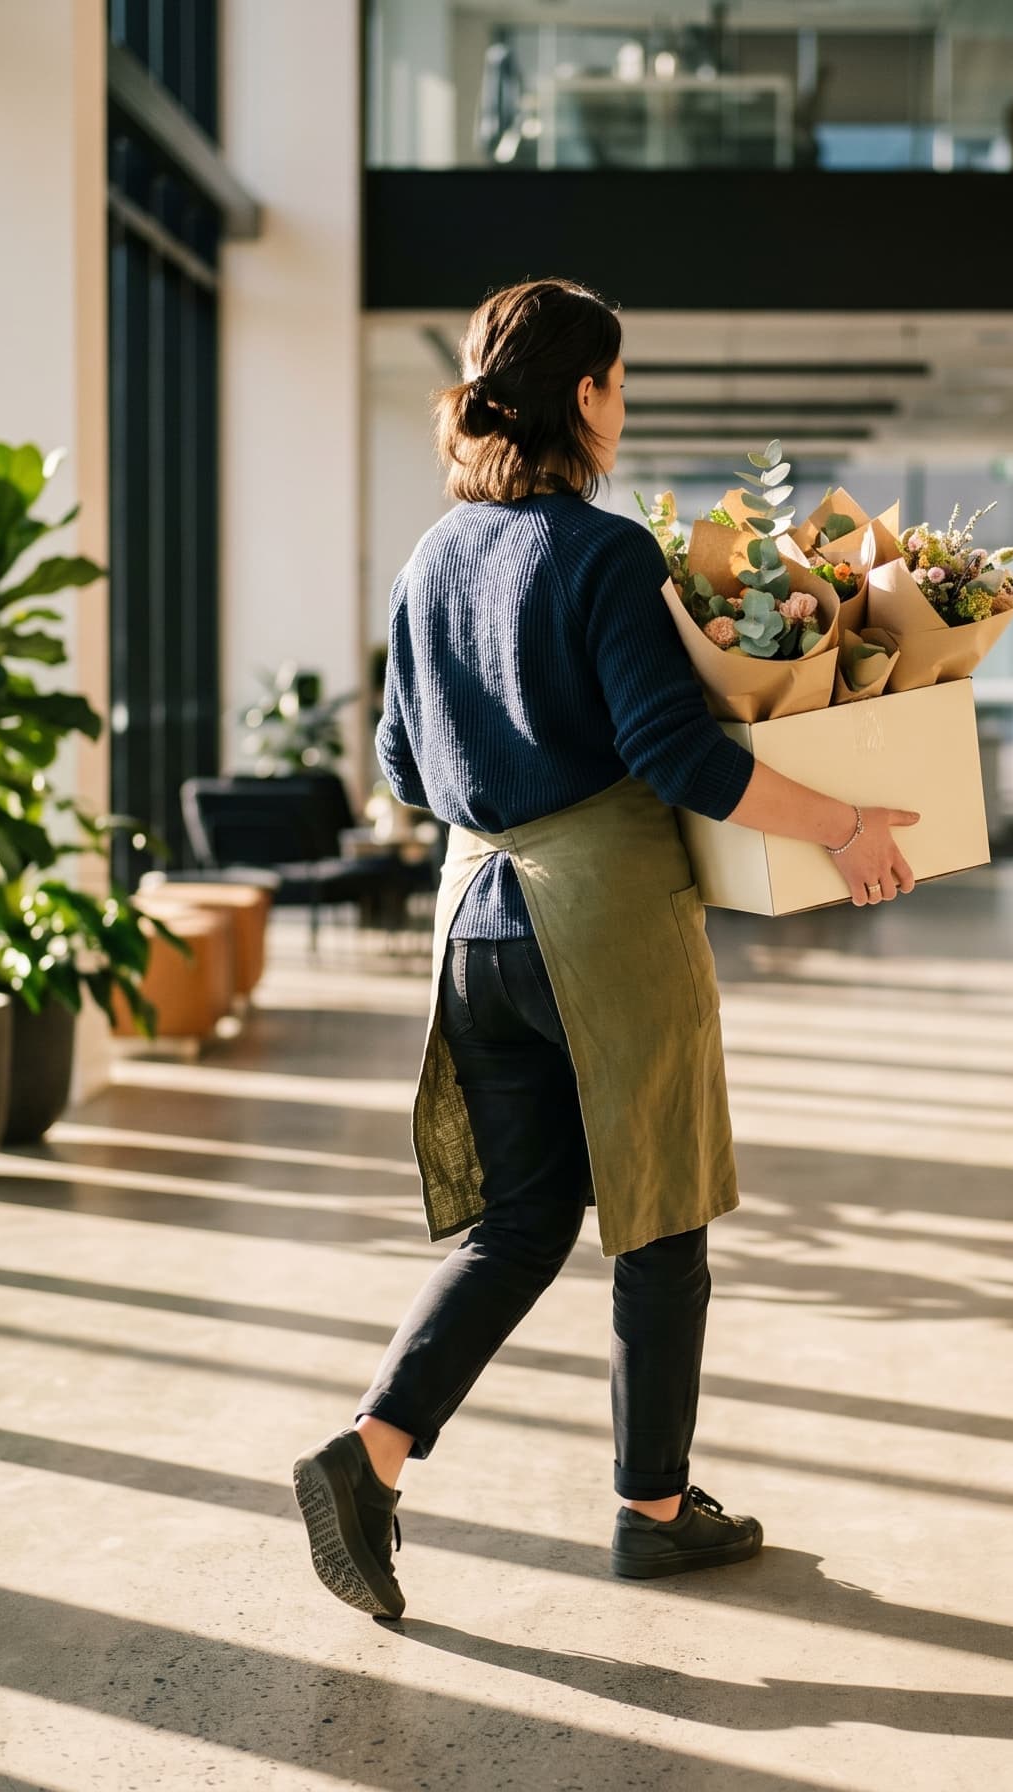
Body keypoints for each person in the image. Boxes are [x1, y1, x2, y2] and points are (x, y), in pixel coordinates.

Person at [292, 279, 921, 1621]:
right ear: (584, 396)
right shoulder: (601, 552)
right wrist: (850, 824)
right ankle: (653, 1507)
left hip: (475, 922)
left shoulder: (430, 559)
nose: (623, 410)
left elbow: (404, 765)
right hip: (600, 926)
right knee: (662, 1208)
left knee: (523, 1219)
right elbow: (681, 757)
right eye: (619, 385)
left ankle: (370, 1455)